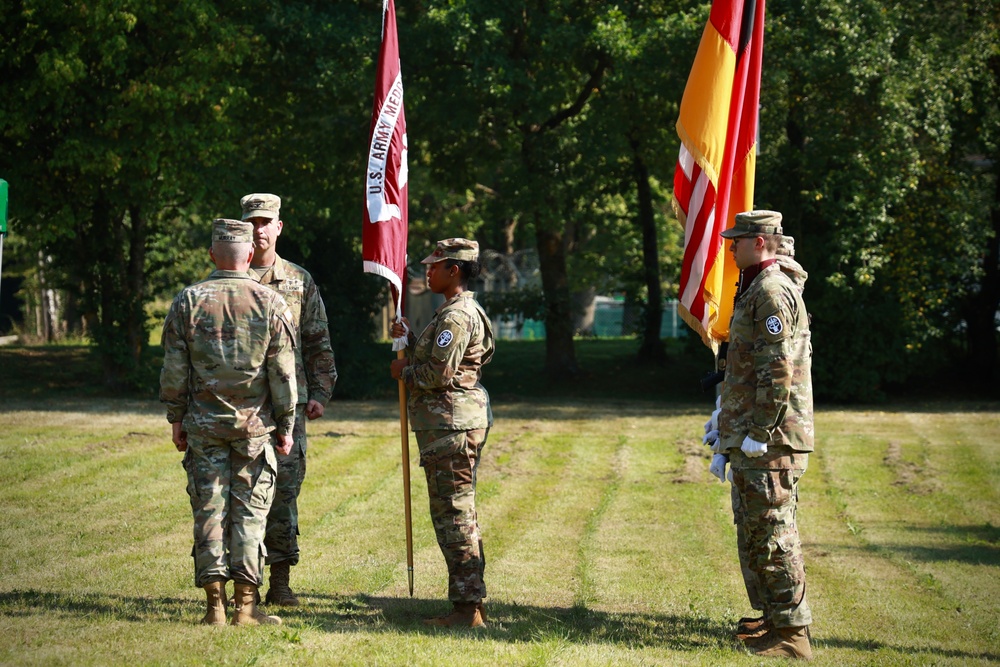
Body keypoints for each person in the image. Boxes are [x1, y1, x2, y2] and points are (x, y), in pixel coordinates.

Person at [160, 218, 298, 626]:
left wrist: (176, 418)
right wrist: (286, 426)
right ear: (250, 255)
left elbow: (172, 370)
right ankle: (246, 609)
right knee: (250, 514)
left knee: (209, 512)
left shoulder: (188, 300)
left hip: (203, 426)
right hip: (254, 430)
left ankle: (214, 609)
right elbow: (284, 376)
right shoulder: (272, 302)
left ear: (211, 255)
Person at [715, 210, 815, 660]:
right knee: (757, 530)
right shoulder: (757, 287)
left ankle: (793, 634)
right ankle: (775, 621)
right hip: (755, 434)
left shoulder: (772, 291)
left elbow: (779, 372)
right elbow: (745, 366)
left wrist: (759, 430)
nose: (730, 247)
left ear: (759, 242)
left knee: (775, 532)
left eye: (736, 241)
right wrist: (725, 423)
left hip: (772, 438)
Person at [389, 238, 494, 628]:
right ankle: (472, 603)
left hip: (451, 427)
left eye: (435, 266)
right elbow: (441, 360)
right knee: (458, 512)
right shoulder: (452, 312)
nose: (427, 271)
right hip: (449, 425)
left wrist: (404, 372)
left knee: (454, 515)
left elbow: (438, 374)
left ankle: (467, 610)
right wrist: (410, 340)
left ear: (455, 270)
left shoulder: (455, 316)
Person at [240, 193, 338, 607]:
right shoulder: (228, 280)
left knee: (283, 492)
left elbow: (318, 340)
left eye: (267, 222)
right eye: (252, 222)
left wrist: (320, 392)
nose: (259, 229)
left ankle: (280, 581)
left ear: (279, 227)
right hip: (242, 405)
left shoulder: (299, 280)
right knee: (242, 492)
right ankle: (244, 583)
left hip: (289, 408)